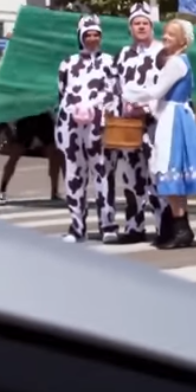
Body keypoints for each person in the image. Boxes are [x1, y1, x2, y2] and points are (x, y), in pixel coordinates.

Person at [122, 19, 196, 250]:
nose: (165, 38)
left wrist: (130, 92)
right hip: (173, 115)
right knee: (172, 173)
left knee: (169, 170)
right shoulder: (179, 61)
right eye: (165, 34)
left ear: (183, 41)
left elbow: (157, 91)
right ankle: (178, 227)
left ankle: (179, 228)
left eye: (171, 35)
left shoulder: (175, 63)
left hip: (173, 120)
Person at [55, 15, 120, 244]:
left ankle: (108, 225)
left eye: (96, 35)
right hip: (72, 128)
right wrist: (75, 108)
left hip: (100, 127)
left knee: (103, 174)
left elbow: (114, 91)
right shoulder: (68, 63)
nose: (92, 39)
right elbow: (62, 92)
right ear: (81, 37)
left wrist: (97, 106)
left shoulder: (110, 62)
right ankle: (77, 227)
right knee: (74, 176)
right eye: (88, 35)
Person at [111, 2, 170, 245]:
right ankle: (134, 226)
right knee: (131, 176)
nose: (141, 27)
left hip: (156, 121)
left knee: (157, 175)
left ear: (151, 26)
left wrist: (147, 106)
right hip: (129, 124)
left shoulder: (163, 53)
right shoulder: (124, 54)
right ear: (131, 28)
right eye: (137, 23)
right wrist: (121, 109)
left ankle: (164, 227)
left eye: (145, 23)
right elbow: (115, 87)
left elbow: (169, 87)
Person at [0, 110, 62, 204]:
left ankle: (54, 192)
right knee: (14, 156)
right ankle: (2, 191)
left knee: (54, 156)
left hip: (39, 118)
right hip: (29, 118)